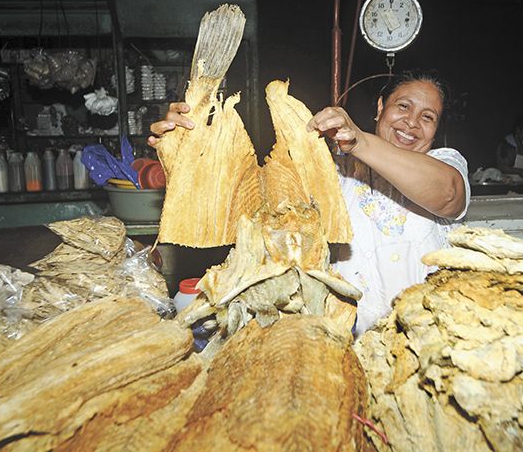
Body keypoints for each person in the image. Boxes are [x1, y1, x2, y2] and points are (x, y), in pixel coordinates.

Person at [148, 70, 470, 335]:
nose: (412, 122)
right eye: (403, 107)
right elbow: (250, 210)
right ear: (380, 107)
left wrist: (358, 140)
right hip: (344, 340)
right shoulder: (334, 172)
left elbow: (449, 194)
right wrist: (186, 147)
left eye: (427, 117)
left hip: (423, 339)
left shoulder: (446, 163)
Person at [496, 115, 523, 182]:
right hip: (509, 187)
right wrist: (520, 171)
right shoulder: (508, 145)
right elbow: (501, 166)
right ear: (518, 130)